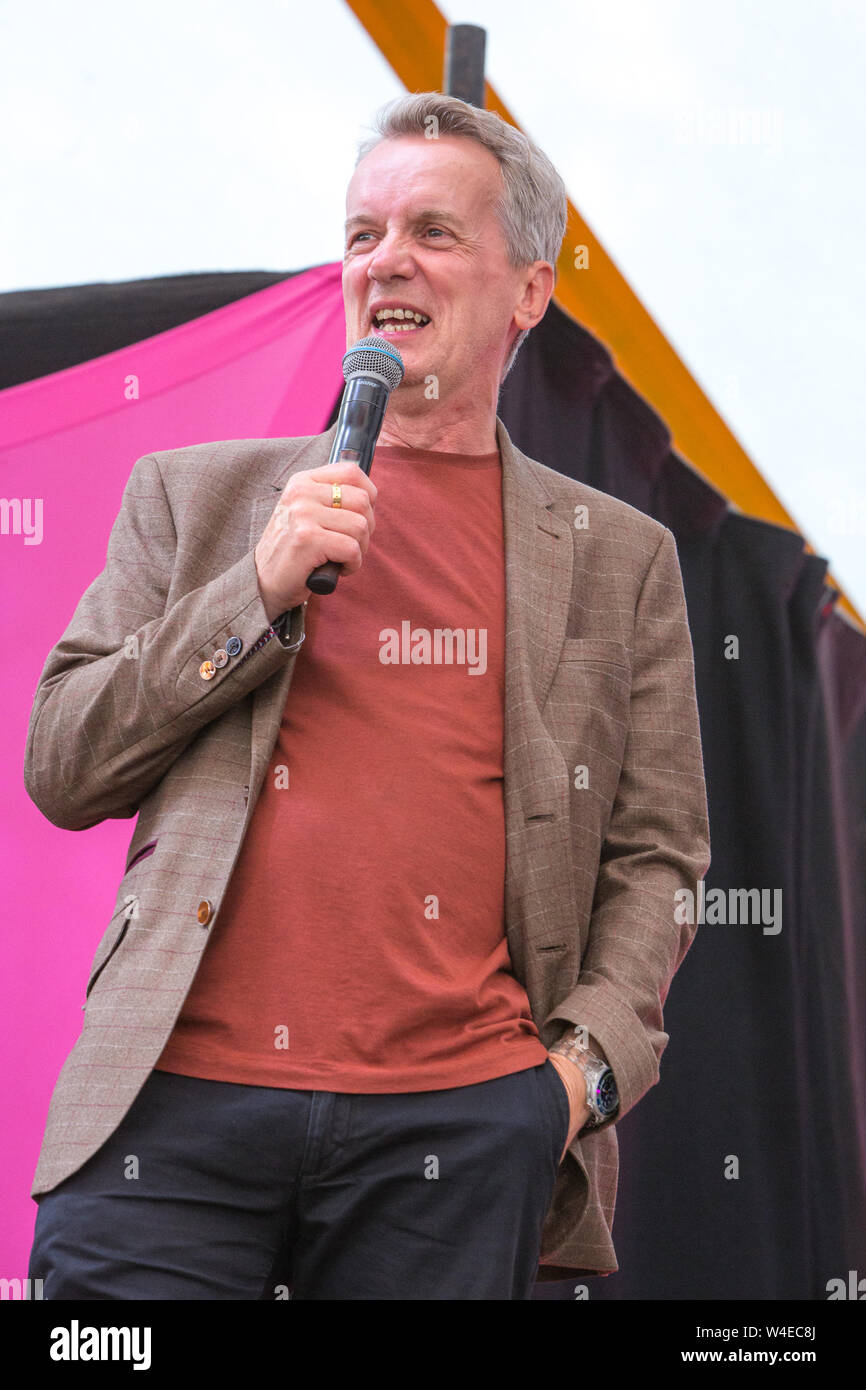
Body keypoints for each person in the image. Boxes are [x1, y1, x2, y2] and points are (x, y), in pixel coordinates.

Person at [25, 92, 710, 1300]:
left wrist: (570, 1085)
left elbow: (658, 856)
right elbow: (64, 764)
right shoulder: (193, 501)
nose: (385, 259)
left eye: (434, 233)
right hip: (169, 1117)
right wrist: (256, 587)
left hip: (454, 1136)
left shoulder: (620, 557)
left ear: (528, 293)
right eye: (361, 234)